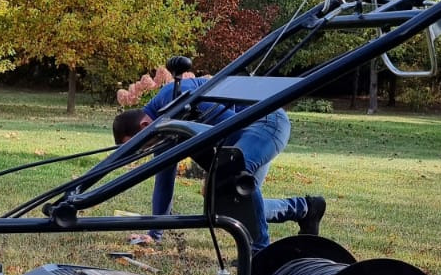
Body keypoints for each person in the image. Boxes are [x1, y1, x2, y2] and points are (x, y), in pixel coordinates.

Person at [112, 56, 325, 248]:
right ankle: (306, 208)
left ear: (143, 125)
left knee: (236, 178)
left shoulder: (174, 99)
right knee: (228, 208)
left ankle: (259, 250)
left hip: (265, 121)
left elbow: (230, 123)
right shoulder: (160, 131)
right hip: (244, 135)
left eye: (138, 145)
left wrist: (216, 172)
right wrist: (154, 234)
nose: (143, 151)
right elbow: (164, 182)